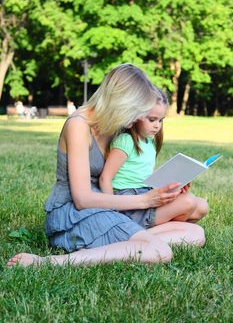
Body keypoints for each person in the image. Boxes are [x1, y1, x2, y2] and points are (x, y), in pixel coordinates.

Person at [7, 64, 207, 268]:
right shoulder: (78, 125)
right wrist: (145, 200)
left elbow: (125, 175)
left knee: (195, 234)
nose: (137, 119)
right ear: (119, 101)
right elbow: (82, 199)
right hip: (76, 214)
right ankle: (49, 263)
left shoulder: (116, 125)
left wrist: (164, 187)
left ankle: (119, 244)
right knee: (160, 251)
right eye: (135, 111)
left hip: (109, 207)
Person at [99, 89, 208, 228]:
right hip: (129, 202)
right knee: (188, 202)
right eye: (152, 120)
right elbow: (105, 178)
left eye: (161, 120)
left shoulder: (149, 142)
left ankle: (161, 228)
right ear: (135, 116)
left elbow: (144, 175)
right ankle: (156, 230)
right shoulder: (126, 140)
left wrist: (174, 184)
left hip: (147, 192)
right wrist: (112, 211)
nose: (157, 125)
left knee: (202, 206)